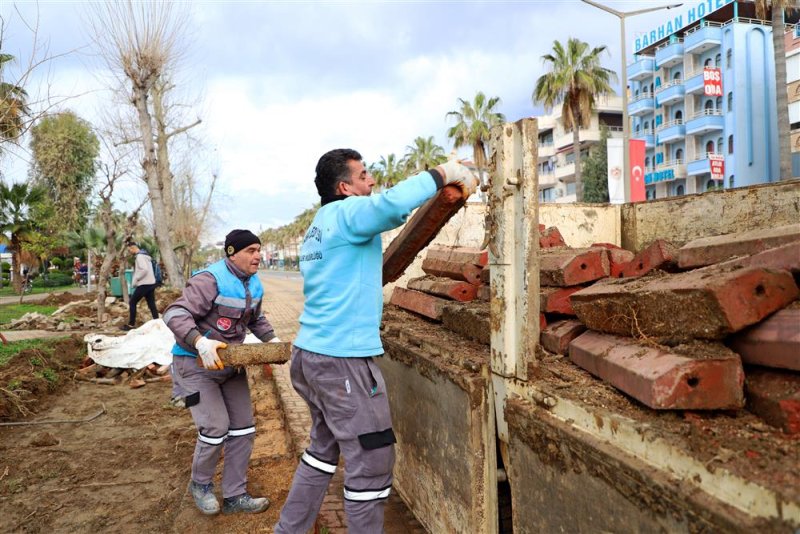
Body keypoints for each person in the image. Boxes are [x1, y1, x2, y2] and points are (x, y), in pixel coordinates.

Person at [274, 149, 477, 533]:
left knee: (322, 451)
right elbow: (391, 205)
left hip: (312, 357)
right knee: (372, 460)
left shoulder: (320, 225)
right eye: (364, 175)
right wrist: (444, 172)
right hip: (341, 362)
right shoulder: (348, 213)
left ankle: (289, 530)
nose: (371, 182)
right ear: (344, 187)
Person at [163, 229, 278, 516]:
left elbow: (257, 320)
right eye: (251, 250)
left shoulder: (254, 284)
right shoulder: (209, 279)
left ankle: (235, 495)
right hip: (194, 365)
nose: (257, 256)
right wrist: (199, 342)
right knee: (215, 428)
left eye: (259, 250)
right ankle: (200, 485)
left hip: (230, 366)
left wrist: (274, 342)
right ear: (231, 253)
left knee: (244, 429)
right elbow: (174, 314)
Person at [121, 242, 159, 331]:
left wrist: (136, 278)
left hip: (144, 283)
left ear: (133, 248)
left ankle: (131, 324)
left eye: (129, 249)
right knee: (151, 304)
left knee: (132, 302)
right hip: (151, 283)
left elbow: (144, 269)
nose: (129, 251)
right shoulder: (146, 256)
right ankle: (157, 322)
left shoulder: (139, 256)